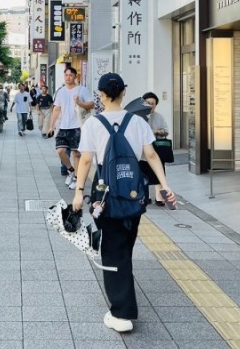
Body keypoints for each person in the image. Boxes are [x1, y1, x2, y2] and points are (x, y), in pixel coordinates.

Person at [72, 73, 175, 332]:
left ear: (101, 95)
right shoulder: (137, 122)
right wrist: (164, 186)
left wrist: (78, 191)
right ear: (124, 94)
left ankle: (121, 312)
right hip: (133, 192)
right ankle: (122, 289)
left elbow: (85, 161)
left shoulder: (93, 124)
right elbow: (151, 155)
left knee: (113, 249)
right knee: (125, 244)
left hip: (105, 194)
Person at [47, 66, 94, 190]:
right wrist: (51, 126)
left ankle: (77, 180)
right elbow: (57, 109)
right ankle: (71, 170)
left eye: (70, 75)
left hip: (77, 126)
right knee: (60, 151)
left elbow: (91, 104)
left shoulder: (81, 90)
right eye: (66, 75)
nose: (68, 77)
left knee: (76, 154)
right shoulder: (61, 91)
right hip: (63, 126)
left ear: (75, 76)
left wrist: (79, 102)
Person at [141, 92, 169, 205]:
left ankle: (160, 198)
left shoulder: (159, 117)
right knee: (143, 174)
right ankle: (144, 197)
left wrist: (157, 131)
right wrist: (154, 131)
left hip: (158, 150)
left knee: (159, 172)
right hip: (143, 152)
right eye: (148, 103)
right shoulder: (139, 118)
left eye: (153, 103)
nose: (150, 105)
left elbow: (166, 131)